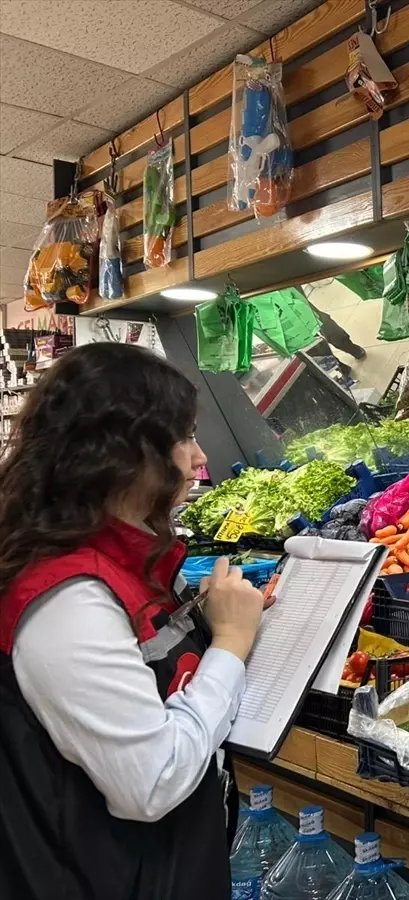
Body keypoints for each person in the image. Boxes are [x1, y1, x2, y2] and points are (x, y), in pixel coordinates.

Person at [0, 343, 271, 899]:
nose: (200, 457)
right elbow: (152, 781)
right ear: (127, 452)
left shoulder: (123, 560)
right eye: (184, 437)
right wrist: (229, 643)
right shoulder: (67, 600)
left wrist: (212, 619)